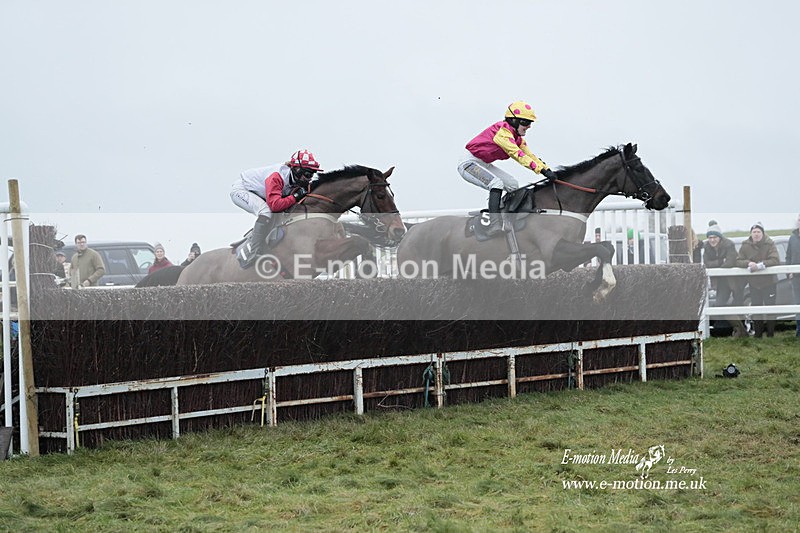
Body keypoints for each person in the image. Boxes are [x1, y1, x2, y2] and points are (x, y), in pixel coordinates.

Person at [458, 101, 555, 221]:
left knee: (513, 185)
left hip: (484, 164)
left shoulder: (517, 138)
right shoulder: (502, 133)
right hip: (468, 164)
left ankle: (509, 216)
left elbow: (529, 155)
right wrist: (541, 171)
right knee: (496, 184)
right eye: (526, 122)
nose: (529, 126)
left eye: (530, 123)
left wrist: (546, 169)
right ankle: (494, 222)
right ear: (514, 121)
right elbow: (517, 154)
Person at [230, 149, 322, 267]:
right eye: (308, 174)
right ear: (297, 170)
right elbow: (275, 206)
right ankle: (254, 252)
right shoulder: (277, 176)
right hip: (243, 190)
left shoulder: (297, 178)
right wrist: (295, 197)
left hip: (261, 193)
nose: (309, 178)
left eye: (312, 174)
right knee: (266, 212)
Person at [736, 222, 780, 337]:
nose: (756, 234)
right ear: (751, 233)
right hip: (754, 283)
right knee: (756, 308)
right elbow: (738, 260)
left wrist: (760, 265)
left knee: (771, 308)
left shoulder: (770, 244)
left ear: (763, 233)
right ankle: (758, 335)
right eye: (754, 232)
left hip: (769, 282)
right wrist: (748, 263)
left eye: (758, 232)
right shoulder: (745, 245)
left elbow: (775, 259)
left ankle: (771, 334)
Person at [702, 222, 746, 337]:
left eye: (714, 237)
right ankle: (739, 330)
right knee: (720, 304)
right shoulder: (706, 247)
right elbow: (706, 263)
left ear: (720, 238)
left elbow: (731, 262)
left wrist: (718, 265)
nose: (712, 240)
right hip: (721, 281)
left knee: (738, 305)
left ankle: (742, 331)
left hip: (735, 280)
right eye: (710, 237)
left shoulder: (729, 244)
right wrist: (721, 261)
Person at [787, 213, 800, 337]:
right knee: (798, 303)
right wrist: (788, 271)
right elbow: (788, 256)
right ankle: (799, 331)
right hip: (796, 278)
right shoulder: (793, 238)